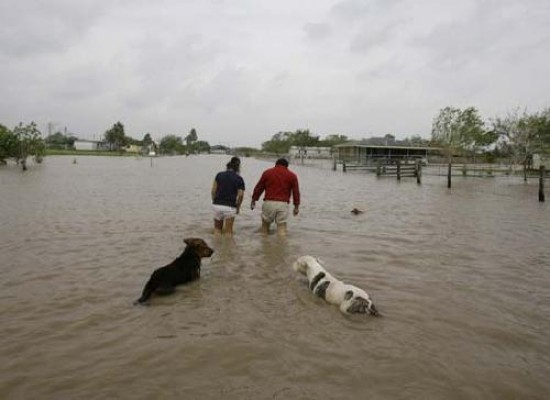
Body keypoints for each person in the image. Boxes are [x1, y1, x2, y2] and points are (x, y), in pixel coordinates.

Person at [250, 158, 300, 236]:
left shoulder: (267, 173)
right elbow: (296, 192)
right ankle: (281, 246)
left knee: (264, 229)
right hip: (283, 204)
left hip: (268, 203)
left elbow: (259, 188)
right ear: (287, 166)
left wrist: (253, 200)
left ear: (276, 164)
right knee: (282, 230)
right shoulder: (292, 175)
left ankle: (264, 246)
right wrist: (296, 206)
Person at [211, 157, 245, 235]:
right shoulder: (239, 178)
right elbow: (240, 195)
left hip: (217, 205)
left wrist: (214, 201)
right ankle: (228, 247)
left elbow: (213, 191)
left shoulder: (219, 175)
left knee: (217, 230)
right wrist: (238, 207)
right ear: (237, 168)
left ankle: (216, 246)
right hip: (230, 206)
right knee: (228, 232)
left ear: (227, 167)